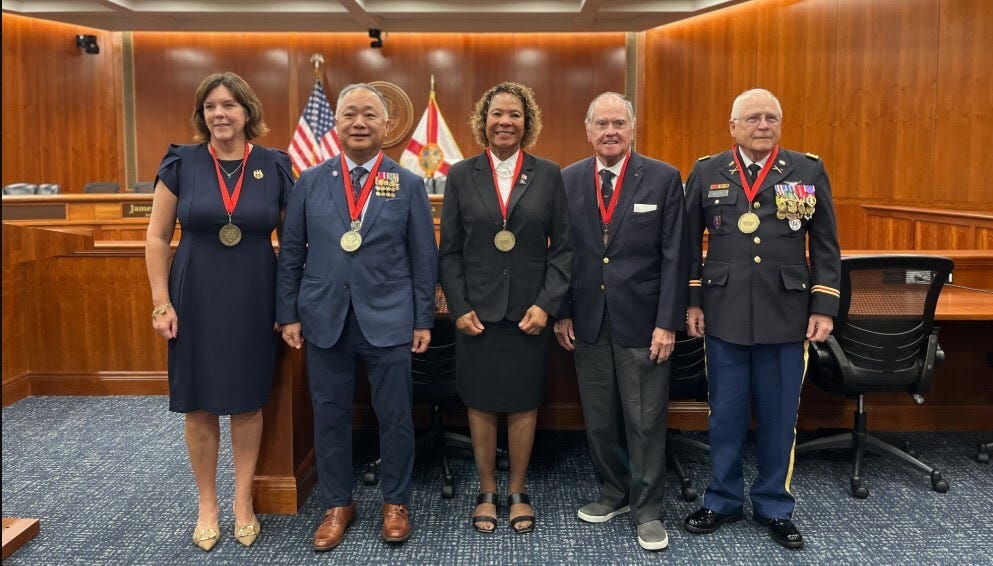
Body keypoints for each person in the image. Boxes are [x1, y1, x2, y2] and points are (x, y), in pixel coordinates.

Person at [276, 83, 437, 550]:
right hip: (324, 317)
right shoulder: (309, 181)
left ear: (386, 126)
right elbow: (290, 255)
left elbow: (423, 257)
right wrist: (288, 313)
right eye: (350, 114)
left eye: (369, 115)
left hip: (389, 317)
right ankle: (336, 502)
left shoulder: (406, 182)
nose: (359, 123)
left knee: (395, 416)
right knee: (329, 416)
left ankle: (395, 501)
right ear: (337, 125)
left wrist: (422, 319)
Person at [682, 88, 841, 550]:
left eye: (772, 117)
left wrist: (824, 307)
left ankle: (774, 505)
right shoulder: (707, 170)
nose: (763, 125)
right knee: (724, 416)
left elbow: (827, 245)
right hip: (724, 311)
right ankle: (722, 499)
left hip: (787, 315)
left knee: (779, 417)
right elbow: (690, 245)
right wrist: (692, 302)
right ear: (733, 126)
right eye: (753, 118)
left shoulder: (807, 169)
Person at [145, 71, 294, 551]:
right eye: (210, 106)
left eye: (229, 105)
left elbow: (293, 243)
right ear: (201, 114)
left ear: (247, 111)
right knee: (199, 402)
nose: (220, 114)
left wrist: (287, 304)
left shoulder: (274, 165)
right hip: (195, 294)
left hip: (255, 292)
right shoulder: (181, 163)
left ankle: (242, 500)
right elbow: (154, 236)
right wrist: (160, 301)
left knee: (249, 400)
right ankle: (207, 503)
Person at [554, 92, 689, 551]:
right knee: (599, 418)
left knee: (645, 419)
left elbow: (676, 257)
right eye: (602, 124)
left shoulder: (663, 178)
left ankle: (648, 509)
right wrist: (563, 312)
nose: (610, 131)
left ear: (633, 129)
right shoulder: (568, 179)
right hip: (588, 319)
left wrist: (668, 322)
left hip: (645, 321)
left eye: (619, 123)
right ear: (588, 130)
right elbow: (561, 253)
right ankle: (613, 492)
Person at [439, 81, 571, 535]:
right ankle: (486, 490)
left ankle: (517, 490)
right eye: (497, 114)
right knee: (478, 402)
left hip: (527, 314)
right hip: (475, 312)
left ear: (526, 122)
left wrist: (547, 304)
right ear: (484, 120)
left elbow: (564, 250)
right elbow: (450, 251)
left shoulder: (550, 174)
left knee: (522, 401)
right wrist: (457, 306)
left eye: (514, 114)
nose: (505, 122)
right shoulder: (460, 175)